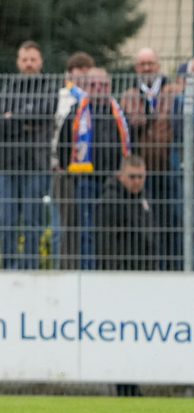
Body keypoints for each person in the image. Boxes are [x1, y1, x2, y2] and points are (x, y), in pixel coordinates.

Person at [0, 41, 60, 270]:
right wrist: (26, 121)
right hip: (8, 164)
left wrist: (13, 117)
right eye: (24, 59)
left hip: (36, 164)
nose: (29, 64)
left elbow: (45, 112)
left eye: (33, 59)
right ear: (18, 62)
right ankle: (9, 267)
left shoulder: (49, 88)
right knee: (7, 222)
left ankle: (31, 268)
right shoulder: (9, 87)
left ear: (40, 61)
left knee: (33, 221)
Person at [56, 68, 132, 270]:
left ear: (110, 86)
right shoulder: (76, 113)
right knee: (86, 231)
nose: (99, 89)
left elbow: (129, 146)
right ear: (86, 87)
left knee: (115, 230)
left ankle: (111, 271)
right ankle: (88, 272)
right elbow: (63, 146)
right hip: (85, 181)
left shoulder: (120, 114)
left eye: (104, 85)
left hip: (115, 184)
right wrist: (73, 170)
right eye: (94, 85)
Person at [119, 47, 182, 269]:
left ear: (158, 65)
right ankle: (152, 268)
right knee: (148, 223)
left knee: (173, 220)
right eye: (142, 64)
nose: (147, 68)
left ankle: (175, 268)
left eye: (150, 63)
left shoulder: (174, 91)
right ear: (136, 68)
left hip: (168, 167)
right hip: (141, 173)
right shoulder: (128, 96)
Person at [51, 52, 95, 269]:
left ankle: (82, 268)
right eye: (79, 73)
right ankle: (62, 269)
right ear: (69, 74)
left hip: (87, 170)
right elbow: (54, 131)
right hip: (62, 169)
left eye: (87, 73)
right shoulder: (61, 97)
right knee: (63, 225)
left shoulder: (94, 99)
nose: (83, 78)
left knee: (84, 224)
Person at [95, 154, 155, 271]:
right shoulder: (110, 201)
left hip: (143, 271)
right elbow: (106, 245)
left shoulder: (144, 198)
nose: (137, 181)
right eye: (132, 177)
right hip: (119, 274)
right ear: (120, 176)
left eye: (140, 177)